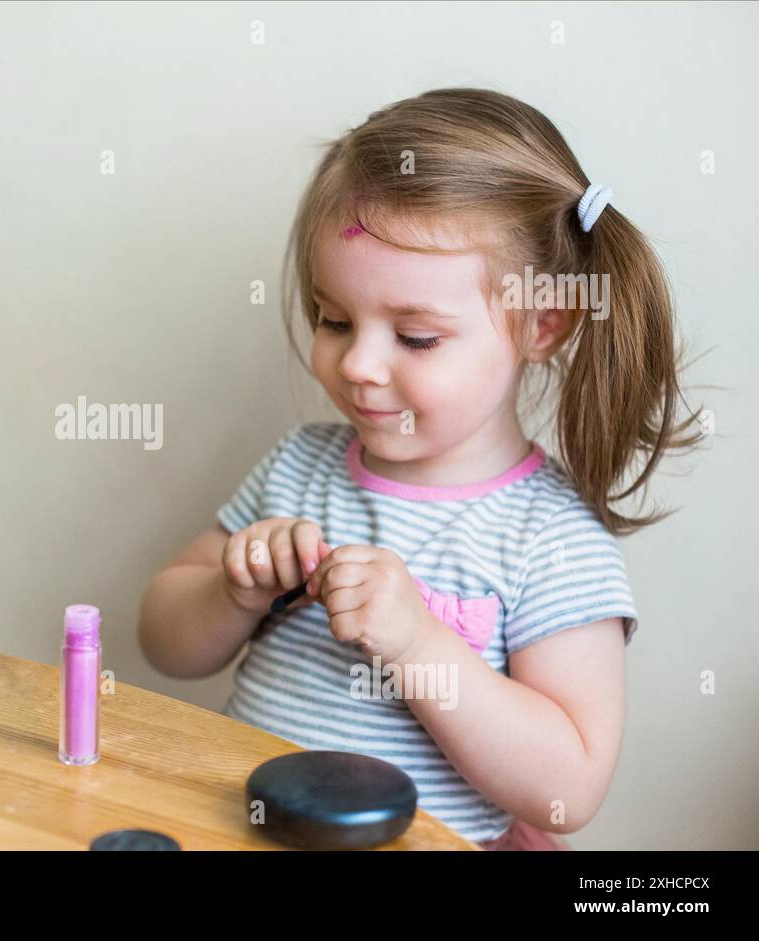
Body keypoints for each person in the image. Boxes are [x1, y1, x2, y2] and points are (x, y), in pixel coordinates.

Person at [138, 88, 704, 849]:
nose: (360, 364)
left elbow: (570, 787)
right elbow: (163, 642)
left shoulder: (551, 537)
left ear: (541, 324)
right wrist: (230, 591)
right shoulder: (299, 467)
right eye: (333, 319)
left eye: (416, 336)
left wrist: (416, 643)